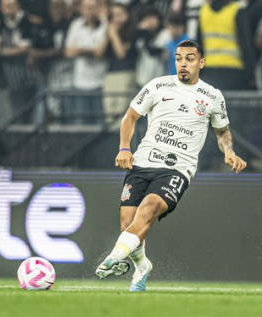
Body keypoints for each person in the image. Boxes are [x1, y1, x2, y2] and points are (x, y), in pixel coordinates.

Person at [95, 39, 247, 291]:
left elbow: (222, 132)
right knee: (128, 224)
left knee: (150, 209)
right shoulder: (158, 85)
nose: (183, 64)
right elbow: (130, 117)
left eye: (189, 58)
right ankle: (142, 266)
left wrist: (229, 151)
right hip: (142, 162)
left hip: (177, 168)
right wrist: (124, 148)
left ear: (201, 62)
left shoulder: (212, 96)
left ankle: (114, 258)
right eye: (178, 58)